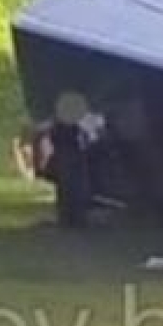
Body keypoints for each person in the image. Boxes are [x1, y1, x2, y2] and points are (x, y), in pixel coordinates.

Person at [49, 93, 91, 228]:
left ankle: (71, 219)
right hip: (69, 157)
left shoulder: (60, 126)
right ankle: (73, 219)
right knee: (73, 189)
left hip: (67, 158)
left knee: (70, 189)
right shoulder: (66, 126)